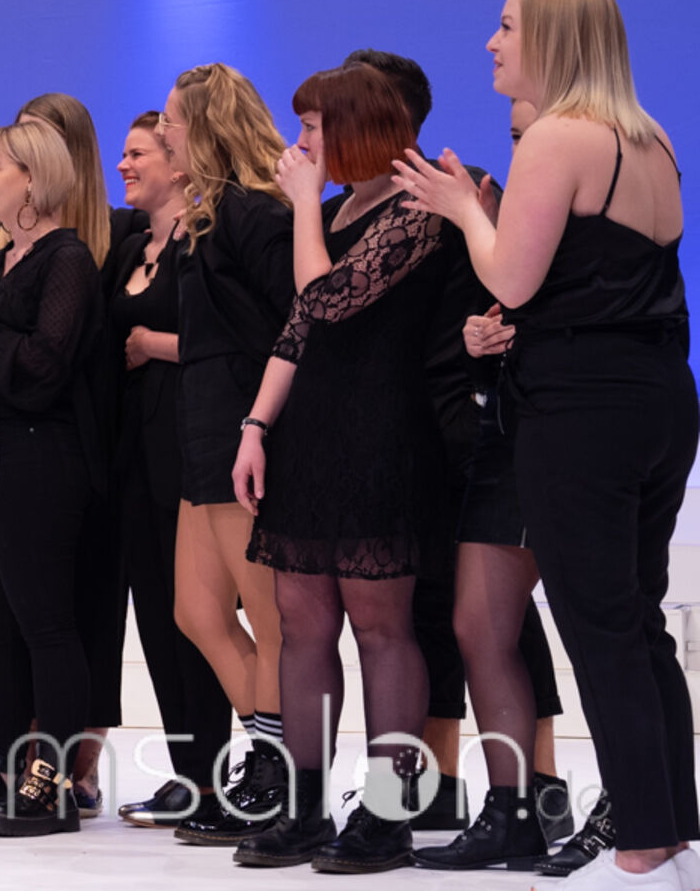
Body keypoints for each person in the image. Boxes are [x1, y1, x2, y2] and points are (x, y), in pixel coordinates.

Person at [395, 0, 697, 891]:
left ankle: (641, 841)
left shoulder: (559, 136)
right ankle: (670, 826)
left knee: (601, 622)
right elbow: (601, 283)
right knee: (635, 618)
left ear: (555, 39)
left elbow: (512, 279)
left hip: (582, 411)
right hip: (657, 396)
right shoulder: (650, 139)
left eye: (506, 26)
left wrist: (464, 210)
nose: (491, 42)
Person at [342, 51, 570, 843]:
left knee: (496, 616)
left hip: (462, 424)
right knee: (421, 612)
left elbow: (512, 299)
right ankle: (432, 784)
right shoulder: (341, 209)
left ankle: (540, 786)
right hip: (387, 434)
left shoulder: (465, 190)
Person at [228, 64, 450, 873]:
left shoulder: (418, 209)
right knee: (303, 624)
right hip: (311, 433)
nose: (301, 143)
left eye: (313, 127)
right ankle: (303, 807)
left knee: (381, 625)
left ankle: (387, 814)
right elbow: (295, 333)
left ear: (354, 127)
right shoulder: (330, 213)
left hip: (381, 430)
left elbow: (328, 298)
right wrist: (256, 426)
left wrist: (299, 206)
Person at [0, 92, 123, 828]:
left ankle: (53, 780)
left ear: (33, 180)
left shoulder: (67, 259)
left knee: (46, 623)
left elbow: (41, 370)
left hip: (44, 461)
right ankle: (3, 765)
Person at [156, 63, 295, 845]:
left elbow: (296, 323)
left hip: (247, 432)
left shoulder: (254, 212)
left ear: (205, 127)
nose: (162, 131)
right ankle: (272, 758)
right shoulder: (207, 217)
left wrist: (261, 426)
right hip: (203, 434)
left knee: (272, 621)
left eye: (171, 120)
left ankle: (276, 775)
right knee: (197, 612)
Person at [106, 112, 234, 829]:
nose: (123, 165)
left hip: (192, 450)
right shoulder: (130, 246)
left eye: (138, 153)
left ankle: (217, 779)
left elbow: (235, 340)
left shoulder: (208, 240)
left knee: (199, 619)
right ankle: (189, 776)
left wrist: (154, 343)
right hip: (134, 453)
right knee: (157, 619)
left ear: (179, 163)